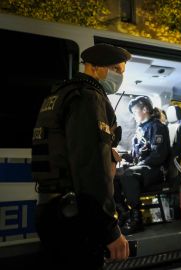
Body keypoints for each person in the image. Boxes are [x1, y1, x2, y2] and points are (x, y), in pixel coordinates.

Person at [32, 43, 131, 269]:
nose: (119, 76)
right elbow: (91, 170)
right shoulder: (89, 97)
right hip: (75, 217)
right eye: (116, 69)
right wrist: (109, 228)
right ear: (94, 67)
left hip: (51, 210)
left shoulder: (60, 94)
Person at [117, 96, 170, 233]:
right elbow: (136, 155)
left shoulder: (157, 127)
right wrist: (123, 156)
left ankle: (136, 218)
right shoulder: (140, 130)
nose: (134, 116)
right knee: (114, 175)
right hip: (144, 168)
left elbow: (158, 156)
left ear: (145, 109)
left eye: (135, 112)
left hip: (156, 170)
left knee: (129, 174)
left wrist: (136, 165)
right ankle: (124, 213)